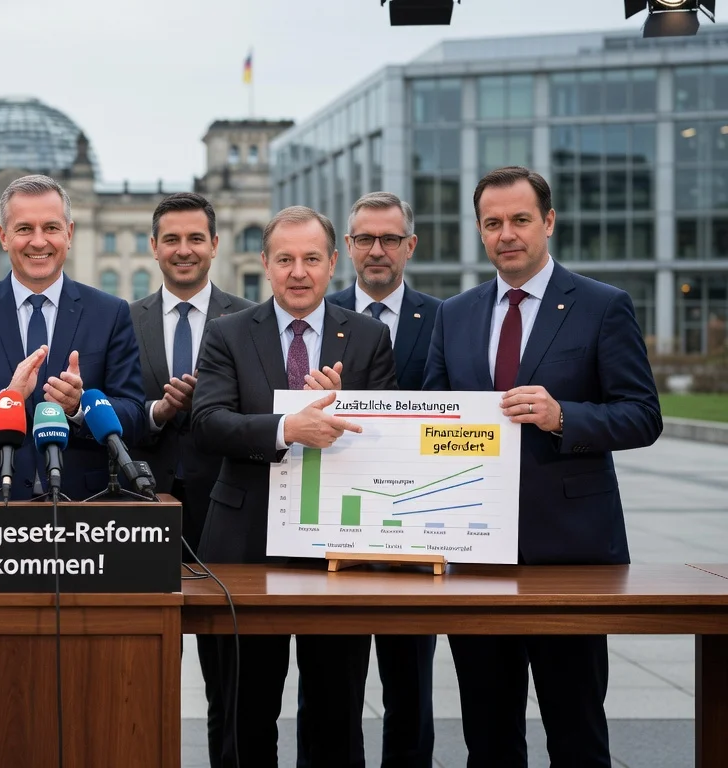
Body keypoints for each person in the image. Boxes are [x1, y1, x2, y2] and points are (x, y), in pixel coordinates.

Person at [424, 166, 662, 767]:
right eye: (493, 223)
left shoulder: (603, 306)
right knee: (489, 733)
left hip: (572, 556)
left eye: (521, 220)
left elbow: (642, 415)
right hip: (476, 555)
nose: (508, 234)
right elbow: (430, 422)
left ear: (549, 223)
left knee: (576, 728)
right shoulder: (454, 315)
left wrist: (563, 418)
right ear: (479, 231)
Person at [191, 205, 396, 768]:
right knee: (243, 709)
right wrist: (288, 427)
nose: (298, 272)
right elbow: (207, 423)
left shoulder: (369, 337)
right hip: (242, 546)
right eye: (285, 259)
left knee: (335, 711)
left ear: (334, 263)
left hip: (337, 551)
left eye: (311, 258)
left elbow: (386, 438)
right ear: (265, 264)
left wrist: (345, 404)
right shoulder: (227, 333)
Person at [0, 174, 145, 500]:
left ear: (69, 234)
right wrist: (7, 398)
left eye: (51, 228)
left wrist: (78, 409)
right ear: (3, 236)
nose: (38, 241)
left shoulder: (110, 313)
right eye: (24, 229)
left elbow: (135, 417)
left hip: (86, 509)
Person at [130, 192, 253, 766]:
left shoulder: (250, 319)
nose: (184, 250)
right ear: (153, 247)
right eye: (172, 239)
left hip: (228, 506)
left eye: (195, 239)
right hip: (143, 502)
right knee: (140, 666)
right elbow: (114, 406)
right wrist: (158, 409)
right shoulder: (123, 319)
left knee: (230, 673)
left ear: (214, 245)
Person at [322, 191, 442, 767]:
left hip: (414, 530)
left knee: (411, 685)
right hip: (331, 525)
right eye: (364, 239)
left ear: (409, 247)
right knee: (329, 689)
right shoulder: (312, 316)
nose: (376, 250)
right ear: (347, 248)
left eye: (389, 239)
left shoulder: (446, 318)